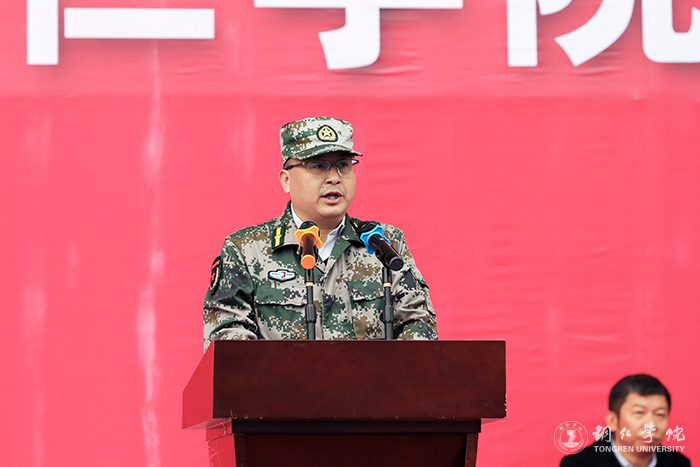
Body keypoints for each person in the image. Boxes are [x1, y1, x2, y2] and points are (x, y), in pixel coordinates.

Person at [203, 116, 437, 349]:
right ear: (286, 180)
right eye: (318, 166)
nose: (334, 178)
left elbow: (419, 325)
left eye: (343, 165)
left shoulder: (383, 243)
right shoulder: (246, 250)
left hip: (372, 376)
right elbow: (227, 342)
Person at [560, 374, 691, 467]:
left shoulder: (679, 463)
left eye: (660, 414)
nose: (651, 425)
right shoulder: (579, 463)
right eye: (639, 413)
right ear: (613, 420)